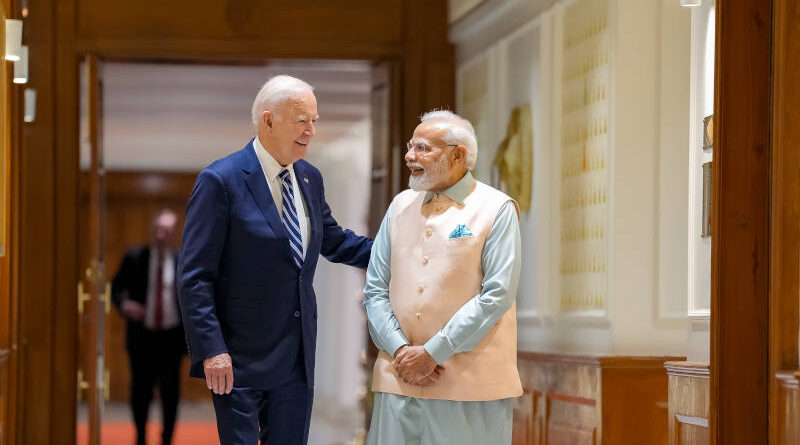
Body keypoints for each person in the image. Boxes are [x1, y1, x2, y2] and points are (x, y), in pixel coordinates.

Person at [177, 75, 372, 445]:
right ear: (268, 120)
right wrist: (212, 349)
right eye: (302, 120)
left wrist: (400, 251)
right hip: (238, 359)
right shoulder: (221, 180)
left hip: (295, 357)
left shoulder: (310, 178)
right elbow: (194, 276)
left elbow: (334, 241)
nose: (312, 131)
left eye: (314, 120)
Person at [363, 110, 523, 445]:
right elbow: (375, 288)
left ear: (458, 155)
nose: (410, 156)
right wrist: (401, 351)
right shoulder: (399, 205)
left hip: (469, 386)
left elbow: (497, 294)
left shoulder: (496, 208)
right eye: (411, 146)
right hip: (397, 378)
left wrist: (433, 352)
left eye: (423, 148)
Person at [111, 209, 185, 445]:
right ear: (153, 229)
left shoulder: (181, 260)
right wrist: (124, 305)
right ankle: (140, 437)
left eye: (167, 230)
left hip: (172, 339)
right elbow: (116, 289)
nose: (161, 234)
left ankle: (167, 439)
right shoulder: (135, 257)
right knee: (140, 392)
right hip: (142, 337)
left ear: (174, 232)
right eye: (158, 229)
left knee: (170, 394)